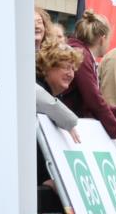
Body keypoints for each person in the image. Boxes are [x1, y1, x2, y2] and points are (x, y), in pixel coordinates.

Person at [63, 11, 116, 149]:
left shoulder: (82, 54)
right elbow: (94, 101)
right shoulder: (83, 55)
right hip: (65, 131)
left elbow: (94, 103)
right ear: (102, 39)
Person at [36, 43, 84, 187]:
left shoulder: (57, 97)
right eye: (65, 67)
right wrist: (44, 178)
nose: (70, 74)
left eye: (72, 68)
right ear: (48, 67)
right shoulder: (37, 90)